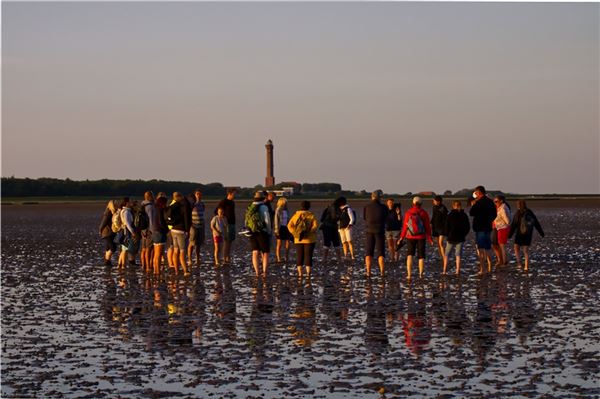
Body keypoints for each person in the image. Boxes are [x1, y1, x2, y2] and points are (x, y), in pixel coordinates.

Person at [399, 196, 433, 280]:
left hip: (410, 236)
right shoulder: (423, 213)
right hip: (421, 236)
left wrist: (401, 238)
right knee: (421, 256)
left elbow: (404, 227)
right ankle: (421, 275)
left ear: (413, 203)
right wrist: (429, 238)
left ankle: (409, 275)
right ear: (421, 204)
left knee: (410, 255)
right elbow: (427, 227)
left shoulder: (408, 213)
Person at [509, 200, 545, 271]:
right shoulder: (529, 212)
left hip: (519, 234)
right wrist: (541, 233)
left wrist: (510, 235)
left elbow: (514, 224)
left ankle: (519, 264)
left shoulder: (518, 213)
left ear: (519, 205)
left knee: (516, 247)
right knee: (526, 251)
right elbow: (536, 223)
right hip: (528, 234)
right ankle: (526, 266)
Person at [469, 185, 497, 274]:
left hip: (480, 228)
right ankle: (489, 268)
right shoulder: (490, 202)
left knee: (481, 249)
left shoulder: (478, 202)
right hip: (488, 227)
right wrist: (489, 220)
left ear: (479, 193)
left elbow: (471, 213)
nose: (475, 195)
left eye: (476, 193)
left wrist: (473, 205)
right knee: (488, 248)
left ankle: (482, 269)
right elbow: (494, 214)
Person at [287, 200, 319, 277]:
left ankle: (300, 273)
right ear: (309, 207)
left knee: (299, 255)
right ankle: (308, 273)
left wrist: (295, 233)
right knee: (308, 256)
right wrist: (309, 232)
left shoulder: (296, 216)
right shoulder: (311, 215)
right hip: (310, 239)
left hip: (298, 239)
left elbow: (289, 226)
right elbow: (315, 226)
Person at [245, 191, 272, 277]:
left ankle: (257, 272)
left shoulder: (250, 206)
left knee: (255, 252)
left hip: (252, 231)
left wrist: (248, 229)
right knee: (265, 252)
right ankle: (264, 272)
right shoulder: (263, 207)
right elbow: (267, 220)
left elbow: (246, 220)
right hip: (262, 231)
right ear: (263, 198)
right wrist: (269, 231)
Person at [363, 190, 388, 276]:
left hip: (369, 231)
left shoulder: (367, 206)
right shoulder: (383, 207)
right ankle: (382, 272)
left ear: (372, 197)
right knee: (381, 253)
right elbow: (386, 218)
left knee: (369, 252)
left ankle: (368, 272)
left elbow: (365, 218)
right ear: (380, 198)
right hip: (380, 231)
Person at [167, 192, 192, 276]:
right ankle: (185, 270)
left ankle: (177, 271)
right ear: (180, 197)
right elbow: (186, 218)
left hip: (173, 230)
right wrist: (187, 230)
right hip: (181, 230)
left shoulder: (172, 205)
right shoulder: (183, 205)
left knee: (176, 250)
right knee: (182, 251)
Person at [443, 200, 470, 275]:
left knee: (447, 254)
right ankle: (457, 270)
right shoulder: (464, 215)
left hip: (451, 237)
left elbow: (446, 226)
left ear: (453, 206)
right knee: (458, 255)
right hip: (460, 237)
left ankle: (444, 270)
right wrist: (464, 234)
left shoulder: (450, 215)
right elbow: (467, 227)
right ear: (460, 205)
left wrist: (447, 234)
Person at [216, 189, 237, 263]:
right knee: (226, 241)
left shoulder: (232, 202)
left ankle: (228, 256)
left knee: (230, 241)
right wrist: (222, 218)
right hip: (226, 224)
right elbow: (216, 211)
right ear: (230, 194)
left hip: (232, 223)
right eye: (234, 194)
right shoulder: (224, 201)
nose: (235, 195)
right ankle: (224, 258)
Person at [492, 195, 511, 266]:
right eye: (494, 201)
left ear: (501, 201)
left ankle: (504, 261)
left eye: (496, 201)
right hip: (500, 227)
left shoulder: (503, 208)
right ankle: (503, 260)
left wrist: (502, 224)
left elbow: (507, 220)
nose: (495, 203)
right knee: (500, 245)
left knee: (502, 245)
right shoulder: (501, 207)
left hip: (502, 228)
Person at [98, 199, 119, 266]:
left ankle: (108, 262)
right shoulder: (108, 212)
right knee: (113, 247)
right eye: (115, 204)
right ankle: (107, 260)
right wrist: (100, 230)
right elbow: (103, 223)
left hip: (111, 232)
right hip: (107, 233)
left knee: (108, 247)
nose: (117, 205)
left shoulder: (114, 212)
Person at [188, 189, 206, 266]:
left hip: (201, 226)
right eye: (198, 194)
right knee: (192, 243)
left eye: (200, 194)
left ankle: (197, 258)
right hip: (193, 226)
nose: (199, 195)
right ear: (195, 195)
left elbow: (203, 213)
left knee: (198, 244)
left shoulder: (202, 203)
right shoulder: (192, 203)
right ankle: (190, 259)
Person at [152, 196, 169, 275]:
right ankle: (157, 271)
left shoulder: (155, 209)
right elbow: (161, 222)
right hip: (160, 232)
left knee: (156, 254)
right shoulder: (160, 210)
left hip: (155, 232)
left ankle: (155, 270)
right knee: (159, 254)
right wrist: (167, 229)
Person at [118, 199, 137, 268]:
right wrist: (133, 232)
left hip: (124, 230)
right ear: (126, 203)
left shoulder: (124, 210)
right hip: (126, 231)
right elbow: (127, 223)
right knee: (125, 249)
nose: (130, 203)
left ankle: (119, 264)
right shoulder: (126, 212)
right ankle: (123, 265)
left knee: (124, 248)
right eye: (129, 202)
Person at [140, 191, 156, 273]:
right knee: (149, 249)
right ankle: (148, 266)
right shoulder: (150, 206)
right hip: (149, 230)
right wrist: (153, 231)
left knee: (144, 249)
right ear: (150, 196)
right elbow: (151, 220)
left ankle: (143, 265)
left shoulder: (142, 204)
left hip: (143, 229)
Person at [274, 197, 293, 263]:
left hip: (287, 227)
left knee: (288, 242)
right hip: (280, 227)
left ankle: (286, 257)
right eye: (285, 203)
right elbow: (276, 220)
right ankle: (278, 258)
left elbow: (289, 219)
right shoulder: (278, 210)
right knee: (279, 243)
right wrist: (276, 230)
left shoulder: (287, 210)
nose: (286, 204)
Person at [431, 195, 449, 260]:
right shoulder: (434, 207)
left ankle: (444, 257)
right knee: (438, 243)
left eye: (434, 200)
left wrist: (446, 227)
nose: (433, 201)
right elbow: (433, 216)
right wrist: (431, 223)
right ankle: (441, 256)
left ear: (438, 201)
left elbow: (446, 218)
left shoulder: (443, 208)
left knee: (441, 243)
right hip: (435, 227)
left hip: (442, 228)